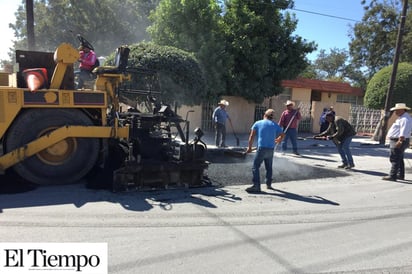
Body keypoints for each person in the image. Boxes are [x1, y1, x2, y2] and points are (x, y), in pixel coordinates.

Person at [245, 109, 285, 193]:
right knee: (269, 167)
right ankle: (268, 184)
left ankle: (256, 186)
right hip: (271, 149)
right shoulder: (275, 125)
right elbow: (282, 134)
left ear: (264, 115)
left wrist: (249, 148)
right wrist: (278, 140)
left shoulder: (258, 123)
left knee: (255, 166)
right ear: (272, 117)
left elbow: (251, 136)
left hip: (261, 149)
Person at [382, 103, 412, 181]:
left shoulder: (404, 119)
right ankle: (400, 174)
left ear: (402, 110)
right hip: (398, 139)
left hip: (398, 140)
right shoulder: (403, 117)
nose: (395, 112)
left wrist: (400, 141)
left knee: (394, 158)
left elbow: (403, 131)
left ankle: (393, 175)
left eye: (397, 110)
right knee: (399, 158)